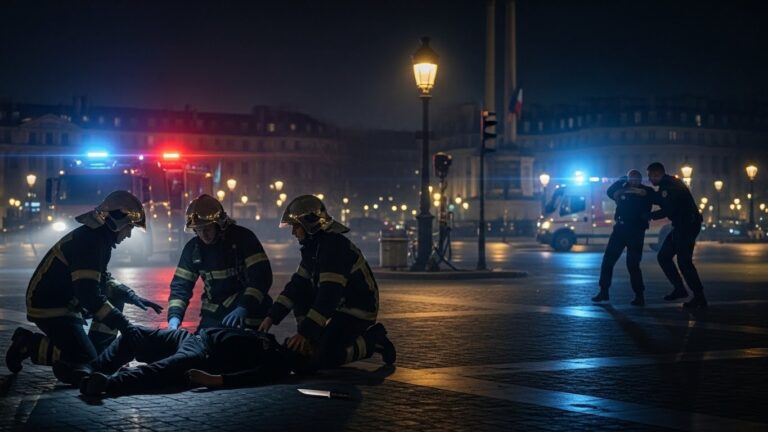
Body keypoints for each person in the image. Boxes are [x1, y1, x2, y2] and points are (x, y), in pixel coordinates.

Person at [6, 191, 154, 375]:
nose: (129, 235)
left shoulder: (97, 238)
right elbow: (89, 296)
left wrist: (129, 295)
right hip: (50, 306)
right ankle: (28, 344)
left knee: (97, 356)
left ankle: (97, 352)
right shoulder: (90, 243)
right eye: (130, 228)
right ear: (118, 221)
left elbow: (101, 280)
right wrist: (125, 325)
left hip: (66, 302)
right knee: (85, 362)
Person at [258, 195, 395, 370]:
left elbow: (328, 296)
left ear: (310, 225)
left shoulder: (334, 248)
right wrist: (271, 317)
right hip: (338, 306)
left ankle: (374, 341)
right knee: (308, 349)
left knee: (325, 357)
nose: (293, 232)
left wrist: (304, 333)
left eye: (296, 227)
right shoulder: (314, 247)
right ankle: (309, 344)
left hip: (357, 309)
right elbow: (296, 285)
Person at [78, 326, 301, 396]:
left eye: (308, 346)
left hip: (202, 355)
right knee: (134, 333)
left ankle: (107, 384)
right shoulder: (270, 339)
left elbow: (252, 377)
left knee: (161, 370)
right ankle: (90, 370)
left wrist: (214, 380)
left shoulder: (277, 363)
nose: (304, 338)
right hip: (192, 337)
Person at [167, 194, 273, 331]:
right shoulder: (193, 249)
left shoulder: (243, 239)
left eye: (207, 229)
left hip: (248, 312)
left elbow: (261, 277)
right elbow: (181, 286)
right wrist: (174, 318)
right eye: (198, 230)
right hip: (214, 315)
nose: (203, 234)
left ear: (220, 225)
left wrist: (244, 306)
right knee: (205, 345)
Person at [647, 162, 707, 308]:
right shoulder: (669, 184)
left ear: (657, 174)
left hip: (686, 226)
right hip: (681, 226)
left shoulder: (669, 186)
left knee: (684, 262)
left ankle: (699, 297)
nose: (649, 179)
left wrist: (648, 215)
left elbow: (667, 209)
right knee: (664, 256)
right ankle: (680, 289)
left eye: (650, 176)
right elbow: (662, 200)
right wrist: (646, 194)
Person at [592, 170, 655, 306]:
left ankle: (639, 295)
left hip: (636, 231)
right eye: (630, 178)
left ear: (640, 179)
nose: (633, 181)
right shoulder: (622, 188)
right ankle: (604, 291)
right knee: (608, 260)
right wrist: (622, 180)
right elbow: (610, 191)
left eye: (636, 179)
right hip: (620, 229)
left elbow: (653, 198)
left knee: (633, 265)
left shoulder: (646, 191)